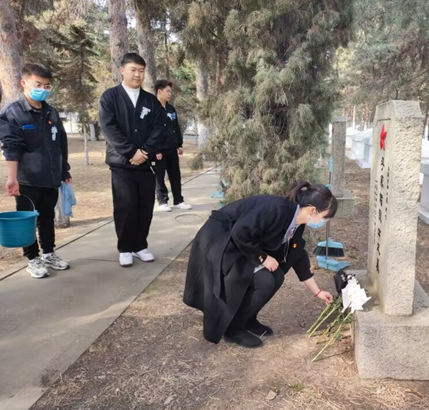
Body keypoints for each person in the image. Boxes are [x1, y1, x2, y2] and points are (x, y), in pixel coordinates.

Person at [183, 181, 336, 348]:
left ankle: (247, 319)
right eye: (325, 217)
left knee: (277, 276)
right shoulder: (278, 210)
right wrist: (263, 258)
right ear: (313, 210)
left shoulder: (297, 221)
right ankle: (233, 329)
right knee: (265, 281)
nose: (323, 222)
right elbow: (240, 232)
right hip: (221, 241)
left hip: (240, 243)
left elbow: (298, 255)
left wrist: (317, 292)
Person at [0, 63, 72, 278]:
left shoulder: (51, 112)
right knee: (29, 220)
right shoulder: (12, 113)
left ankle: (49, 254)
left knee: (47, 217)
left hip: (51, 177)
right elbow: (10, 147)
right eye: (38, 84)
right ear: (23, 83)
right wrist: (12, 178)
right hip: (27, 180)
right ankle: (32, 259)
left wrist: (65, 171)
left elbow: (61, 143)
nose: (43, 89)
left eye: (46, 86)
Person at [99, 53, 164, 268]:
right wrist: (130, 152)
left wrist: (143, 152)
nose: (137, 74)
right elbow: (109, 129)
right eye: (133, 70)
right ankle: (125, 248)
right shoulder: (110, 97)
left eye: (141, 70)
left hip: (145, 163)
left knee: (145, 206)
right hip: (121, 164)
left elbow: (158, 129)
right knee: (125, 206)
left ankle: (140, 246)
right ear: (122, 71)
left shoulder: (150, 101)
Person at [154, 80, 192, 212]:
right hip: (159, 151)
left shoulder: (171, 109)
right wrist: (156, 150)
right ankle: (162, 201)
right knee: (159, 177)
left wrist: (179, 144)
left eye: (170, 91)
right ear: (159, 91)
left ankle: (179, 200)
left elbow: (176, 127)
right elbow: (150, 132)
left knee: (175, 175)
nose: (170, 94)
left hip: (172, 149)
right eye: (167, 91)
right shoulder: (152, 109)